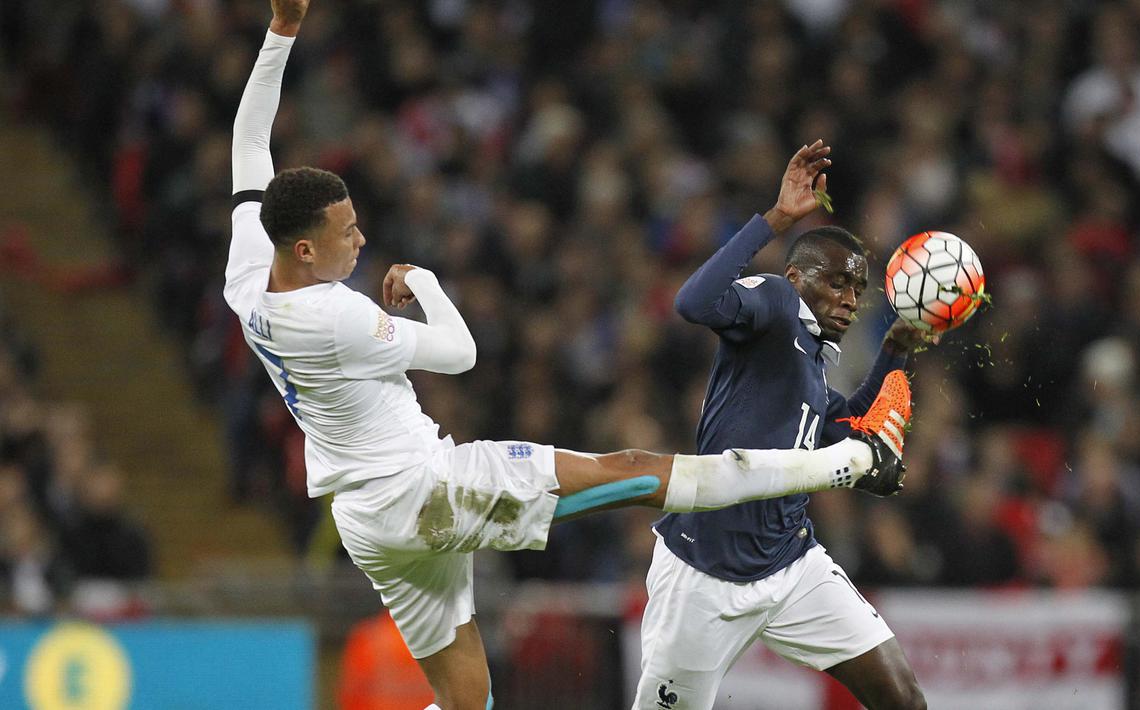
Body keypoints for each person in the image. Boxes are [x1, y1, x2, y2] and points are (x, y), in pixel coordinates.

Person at [226, 3, 908, 708]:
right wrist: (425, 281)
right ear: (304, 250)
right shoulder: (335, 315)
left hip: (366, 519)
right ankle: (849, 464)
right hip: (424, 489)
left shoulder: (248, 275)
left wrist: (281, 29)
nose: (361, 239)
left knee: (467, 704)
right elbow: (460, 354)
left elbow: (250, 145)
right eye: (346, 231)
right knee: (635, 471)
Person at [632, 145, 931, 709]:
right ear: (796, 276)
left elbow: (842, 426)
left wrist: (894, 350)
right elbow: (694, 302)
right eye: (838, 282)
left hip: (790, 565)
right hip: (704, 576)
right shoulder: (773, 302)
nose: (848, 300)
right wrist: (774, 220)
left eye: (857, 292)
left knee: (905, 699)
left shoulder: (810, 364)